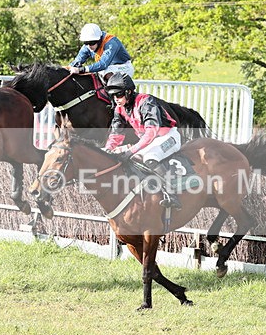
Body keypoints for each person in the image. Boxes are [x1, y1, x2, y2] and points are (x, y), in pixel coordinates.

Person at [103, 72, 182, 209]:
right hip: (151, 141)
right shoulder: (119, 109)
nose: (116, 98)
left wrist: (131, 150)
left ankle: (172, 193)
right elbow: (116, 134)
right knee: (127, 158)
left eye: (119, 94)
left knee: (150, 158)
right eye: (113, 95)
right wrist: (107, 149)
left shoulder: (146, 102)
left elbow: (151, 132)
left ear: (128, 92)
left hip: (168, 137)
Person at [69, 23, 135, 80]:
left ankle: (118, 93)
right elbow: (77, 62)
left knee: (105, 71)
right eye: (86, 43)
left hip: (124, 67)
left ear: (99, 39)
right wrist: (68, 69)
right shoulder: (87, 46)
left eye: (92, 43)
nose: (89, 46)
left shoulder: (111, 43)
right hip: (106, 69)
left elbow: (103, 64)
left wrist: (82, 69)